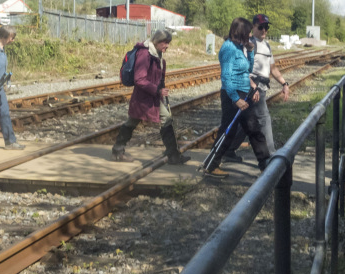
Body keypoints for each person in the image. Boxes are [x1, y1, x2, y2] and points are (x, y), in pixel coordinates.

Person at [203, 17, 271, 178]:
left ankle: (265, 164)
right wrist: (236, 99)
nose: (249, 35)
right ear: (241, 32)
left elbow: (247, 69)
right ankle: (211, 165)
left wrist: (251, 52)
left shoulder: (239, 46)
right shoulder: (228, 49)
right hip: (232, 95)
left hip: (243, 92)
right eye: (247, 32)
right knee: (229, 131)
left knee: (253, 129)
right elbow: (226, 77)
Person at [111, 29, 190, 165]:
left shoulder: (157, 54)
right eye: (165, 42)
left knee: (139, 121)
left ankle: (173, 154)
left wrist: (160, 88)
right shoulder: (144, 54)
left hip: (151, 97)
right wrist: (157, 90)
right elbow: (139, 79)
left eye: (168, 43)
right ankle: (172, 155)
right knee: (149, 120)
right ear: (158, 41)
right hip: (143, 98)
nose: (167, 46)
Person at [223, 13, 290, 162]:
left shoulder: (267, 46)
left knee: (247, 121)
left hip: (262, 87)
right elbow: (241, 67)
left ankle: (228, 150)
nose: (264, 31)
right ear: (253, 27)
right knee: (264, 118)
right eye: (261, 27)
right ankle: (271, 155)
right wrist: (250, 84)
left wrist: (284, 84)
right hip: (252, 87)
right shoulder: (248, 45)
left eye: (266, 27)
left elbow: (273, 69)